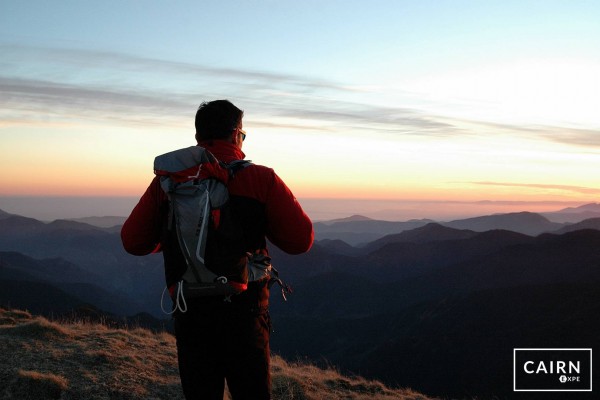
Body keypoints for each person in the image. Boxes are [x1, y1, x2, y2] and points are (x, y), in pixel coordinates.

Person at [121, 100, 314, 400]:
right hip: (246, 310)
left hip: (190, 310)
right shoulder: (261, 179)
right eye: (243, 135)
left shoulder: (169, 183)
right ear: (236, 134)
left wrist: (181, 237)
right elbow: (300, 241)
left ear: (199, 136)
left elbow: (132, 241)